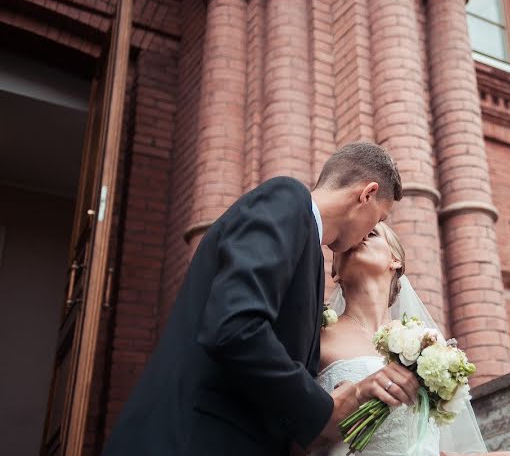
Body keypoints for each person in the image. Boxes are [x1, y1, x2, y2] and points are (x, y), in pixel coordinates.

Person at [102, 142, 421, 456]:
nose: (371, 231)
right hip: (193, 439)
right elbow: (235, 326)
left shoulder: (310, 255)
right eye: (379, 219)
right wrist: (323, 408)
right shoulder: (286, 199)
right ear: (366, 194)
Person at [311, 222, 510, 456]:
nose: (359, 238)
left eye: (371, 233)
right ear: (335, 272)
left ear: (396, 260)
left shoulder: (429, 343)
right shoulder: (316, 338)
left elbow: (429, 440)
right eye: (349, 239)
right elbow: (297, 441)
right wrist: (358, 395)